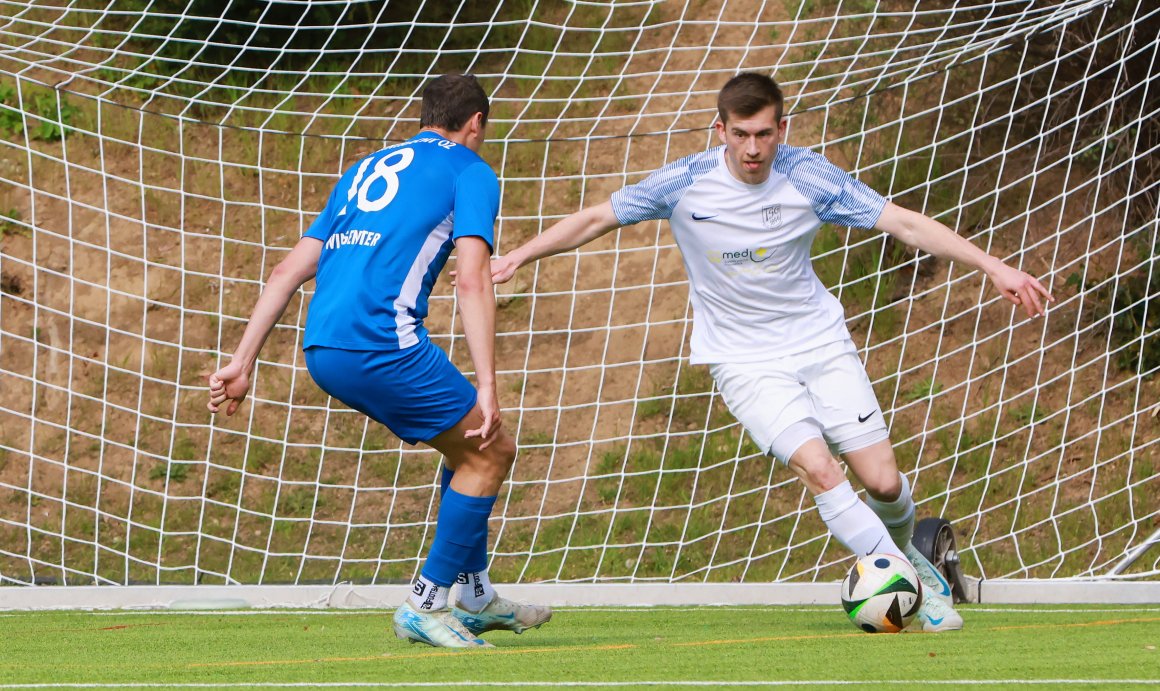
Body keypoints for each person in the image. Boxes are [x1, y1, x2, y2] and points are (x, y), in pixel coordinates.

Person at [491, 72, 1053, 631]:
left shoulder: (809, 177)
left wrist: (994, 266)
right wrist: (517, 256)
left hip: (820, 344)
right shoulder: (685, 181)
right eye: (741, 134)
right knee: (821, 470)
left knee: (882, 482)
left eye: (764, 133)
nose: (753, 148)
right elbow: (595, 218)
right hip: (744, 363)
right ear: (721, 131)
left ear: (781, 128)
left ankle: (911, 556)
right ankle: (915, 585)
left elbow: (902, 222)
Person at [207, 73, 550, 648]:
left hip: (323, 346)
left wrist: (243, 362)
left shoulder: (365, 169)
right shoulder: (472, 170)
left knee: (466, 446)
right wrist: (489, 383)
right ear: (476, 126)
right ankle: (426, 602)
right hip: (378, 340)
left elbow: (287, 270)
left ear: (424, 116)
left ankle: (475, 593)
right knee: (492, 447)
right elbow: (471, 280)